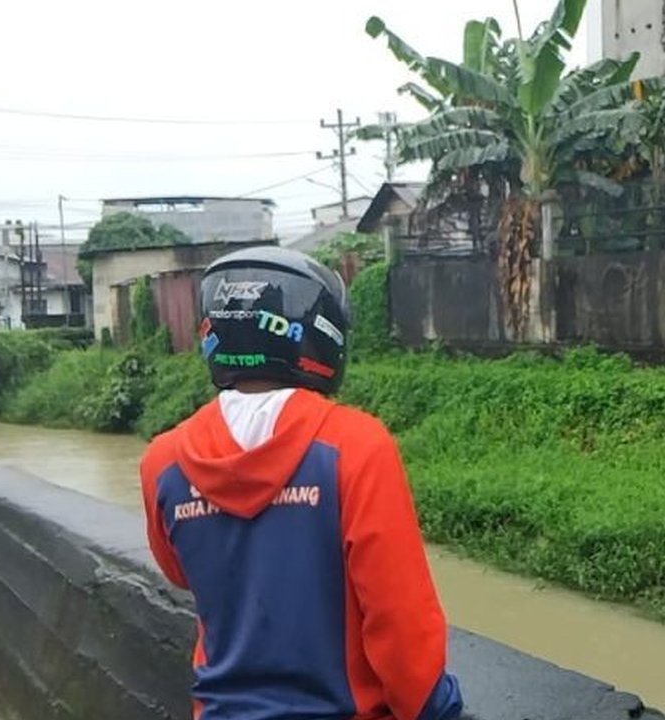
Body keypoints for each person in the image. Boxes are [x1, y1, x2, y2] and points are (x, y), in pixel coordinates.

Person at [139, 246, 464, 720]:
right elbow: (400, 619)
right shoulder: (356, 445)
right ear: (321, 334)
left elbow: (181, 573)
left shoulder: (162, 461)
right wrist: (436, 706)